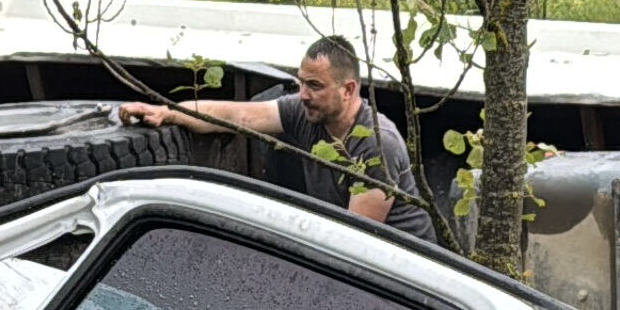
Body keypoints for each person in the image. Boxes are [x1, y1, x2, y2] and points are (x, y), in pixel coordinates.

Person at [122, 36, 439, 244]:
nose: (303, 95)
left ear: (349, 90)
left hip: (409, 276)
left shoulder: (377, 145)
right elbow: (238, 117)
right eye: (301, 83)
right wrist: (167, 113)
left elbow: (353, 241)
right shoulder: (307, 112)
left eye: (314, 85)